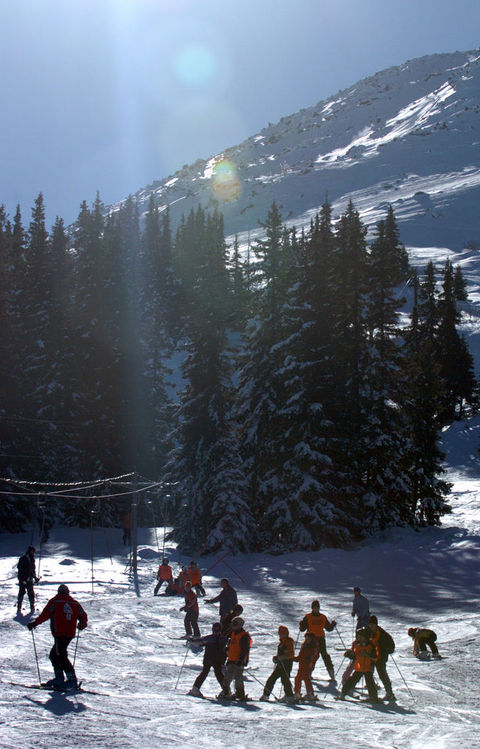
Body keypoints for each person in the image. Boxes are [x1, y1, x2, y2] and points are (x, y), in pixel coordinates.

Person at [27, 584, 87, 689]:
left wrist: (34, 623)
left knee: (60, 655)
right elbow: (83, 615)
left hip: (59, 632)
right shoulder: (74, 603)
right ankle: (60, 679)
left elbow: (45, 614)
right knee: (55, 655)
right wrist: (82, 624)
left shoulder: (55, 601)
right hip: (69, 633)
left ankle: (71, 680)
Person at [339, 627, 380, 703]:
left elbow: (375, 657)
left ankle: (374, 697)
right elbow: (355, 656)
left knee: (370, 683)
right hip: (359, 667)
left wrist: (368, 656)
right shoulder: (357, 646)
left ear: (366, 637)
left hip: (368, 668)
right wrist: (349, 654)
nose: (358, 638)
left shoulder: (371, 646)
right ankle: (343, 693)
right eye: (358, 636)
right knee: (352, 681)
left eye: (360, 636)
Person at [188, 622, 228, 697]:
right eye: (214, 630)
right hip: (208, 659)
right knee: (204, 673)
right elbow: (199, 642)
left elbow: (228, 647)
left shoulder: (223, 639)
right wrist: (193, 641)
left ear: (220, 630)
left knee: (219, 674)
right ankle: (195, 689)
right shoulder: (209, 638)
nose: (216, 632)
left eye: (218, 630)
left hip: (218, 660)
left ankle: (226, 691)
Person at [299, 599, 336, 680]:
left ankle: (331, 671)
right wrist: (301, 624)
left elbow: (328, 628)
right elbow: (302, 629)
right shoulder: (308, 617)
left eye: (317, 608)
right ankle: (308, 672)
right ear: (312, 608)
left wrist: (332, 625)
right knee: (311, 656)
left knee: (324, 655)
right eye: (314, 608)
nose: (316, 609)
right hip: (310, 639)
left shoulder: (323, 617)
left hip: (320, 638)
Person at [218, 617, 251, 701]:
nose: (233, 626)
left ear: (240, 625)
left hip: (238, 661)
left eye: (235, 624)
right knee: (227, 677)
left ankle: (240, 694)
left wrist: (241, 659)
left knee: (238, 677)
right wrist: (227, 649)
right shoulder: (233, 634)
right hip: (231, 659)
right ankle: (226, 692)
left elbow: (245, 649)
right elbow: (232, 646)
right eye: (232, 624)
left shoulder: (244, 636)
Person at [260, 625, 295, 702]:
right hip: (280, 664)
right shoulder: (282, 642)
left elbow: (291, 654)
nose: (281, 635)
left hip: (286, 664)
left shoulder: (288, 641)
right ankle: (266, 695)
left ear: (286, 633)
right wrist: (276, 658)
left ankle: (289, 695)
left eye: (282, 633)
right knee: (272, 679)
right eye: (280, 633)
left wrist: (282, 657)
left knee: (285, 679)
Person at [368, 615, 396, 700]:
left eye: (372, 625)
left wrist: (385, 648)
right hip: (371, 656)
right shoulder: (368, 632)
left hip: (381, 657)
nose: (371, 626)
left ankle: (389, 693)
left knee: (382, 674)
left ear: (376, 624)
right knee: (369, 674)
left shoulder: (382, 633)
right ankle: (373, 694)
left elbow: (391, 646)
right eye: (370, 624)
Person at [293, 632, 317, 701]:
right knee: (298, 678)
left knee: (306, 678)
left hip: (307, 666)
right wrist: (294, 659)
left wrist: (308, 660)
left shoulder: (312, 647)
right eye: (306, 638)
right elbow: (300, 656)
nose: (307, 640)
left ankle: (310, 693)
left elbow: (311, 656)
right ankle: (297, 692)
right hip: (302, 665)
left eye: (309, 638)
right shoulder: (304, 646)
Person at [17, 546, 39, 614]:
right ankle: (19, 608)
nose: (33, 553)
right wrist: (22, 579)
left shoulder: (32, 559)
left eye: (33, 551)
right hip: (23, 579)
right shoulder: (23, 558)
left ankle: (32, 607)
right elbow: (20, 569)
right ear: (29, 551)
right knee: (21, 593)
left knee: (31, 594)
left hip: (29, 579)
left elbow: (32, 570)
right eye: (32, 551)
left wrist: (35, 577)